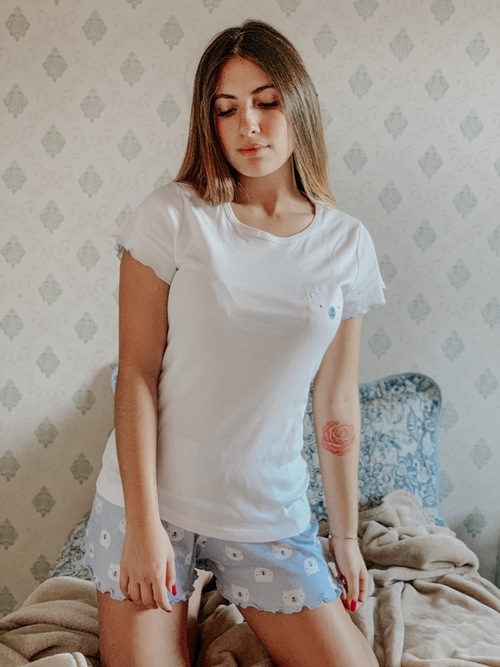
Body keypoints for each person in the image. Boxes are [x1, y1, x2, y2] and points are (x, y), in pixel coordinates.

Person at [82, 19, 385, 667]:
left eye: (267, 102)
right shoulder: (170, 216)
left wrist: (346, 537)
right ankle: (180, 603)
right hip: (155, 507)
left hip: (268, 514)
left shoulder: (347, 244)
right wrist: (142, 528)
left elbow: (336, 399)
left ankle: (195, 602)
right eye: (226, 109)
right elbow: (136, 374)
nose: (248, 124)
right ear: (209, 122)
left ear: (298, 106)